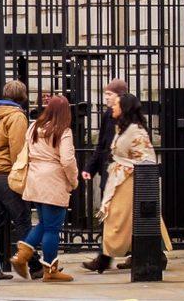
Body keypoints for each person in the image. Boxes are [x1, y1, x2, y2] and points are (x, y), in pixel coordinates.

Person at [82, 93, 172, 273]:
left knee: (118, 218)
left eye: (116, 104)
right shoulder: (123, 128)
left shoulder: (135, 130)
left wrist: (130, 170)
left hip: (129, 181)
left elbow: (147, 157)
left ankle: (106, 258)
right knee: (127, 220)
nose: (112, 107)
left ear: (125, 108)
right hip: (121, 179)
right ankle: (148, 254)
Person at [11, 94, 78, 282]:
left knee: (43, 223)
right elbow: (67, 160)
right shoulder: (63, 130)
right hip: (53, 181)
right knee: (52, 228)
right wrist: (73, 180)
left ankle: (21, 255)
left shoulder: (33, 127)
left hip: (35, 179)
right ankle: (50, 270)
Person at [0, 80, 41, 279]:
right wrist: (21, 173)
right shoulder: (16, 117)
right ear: (22, 96)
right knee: (22, 220)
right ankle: (35, 265)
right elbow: (18, 149)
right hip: (6, 174)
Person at [80, 78, 130, 270]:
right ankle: (106, 257)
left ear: (120, 96)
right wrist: (90, 168)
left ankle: (104, 258)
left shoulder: (128, 115)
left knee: (117, 216)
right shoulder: (109, 115)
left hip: (121, 176)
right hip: (110, 174)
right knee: (113, 216)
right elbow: (101, 144)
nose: (106, 98)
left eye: (109, 94)